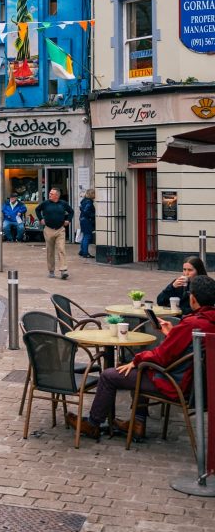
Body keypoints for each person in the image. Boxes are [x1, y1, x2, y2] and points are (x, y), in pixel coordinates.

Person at [69, 275, 215, 441]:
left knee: (109, 375)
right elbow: (180, 350)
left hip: (174, 383)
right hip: (195, 385)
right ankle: (137, 423)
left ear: (193, 298)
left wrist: (137, 359)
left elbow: (161, 357)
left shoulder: (191, 324)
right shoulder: (209, 321)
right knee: (142, 368)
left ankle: (93, 424)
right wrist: (170, 334)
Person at [35, 187, 74, 280]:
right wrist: (41, 219)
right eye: (49, 193)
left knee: (61, 249)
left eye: (51, 194)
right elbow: (37, 210)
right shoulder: (46, 203)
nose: (49, 195)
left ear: (57, 195)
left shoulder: (63, 204)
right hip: (48, 229)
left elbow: (71, 212)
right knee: (50, 251)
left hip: (60, 229)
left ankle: (63, 270)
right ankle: (51, 270)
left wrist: (68, 220)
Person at [78, 188, 96, 258]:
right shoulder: (89, 202)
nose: (95, 195)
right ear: (91, 194)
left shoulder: (84, 201)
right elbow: (86, 211)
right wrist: (94, 216)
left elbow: (83, 210)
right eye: (94, 193)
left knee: (85, 235)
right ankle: (85, 253)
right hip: (87, 220)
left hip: (83, 219)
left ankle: (82, 251)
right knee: (87, 236)